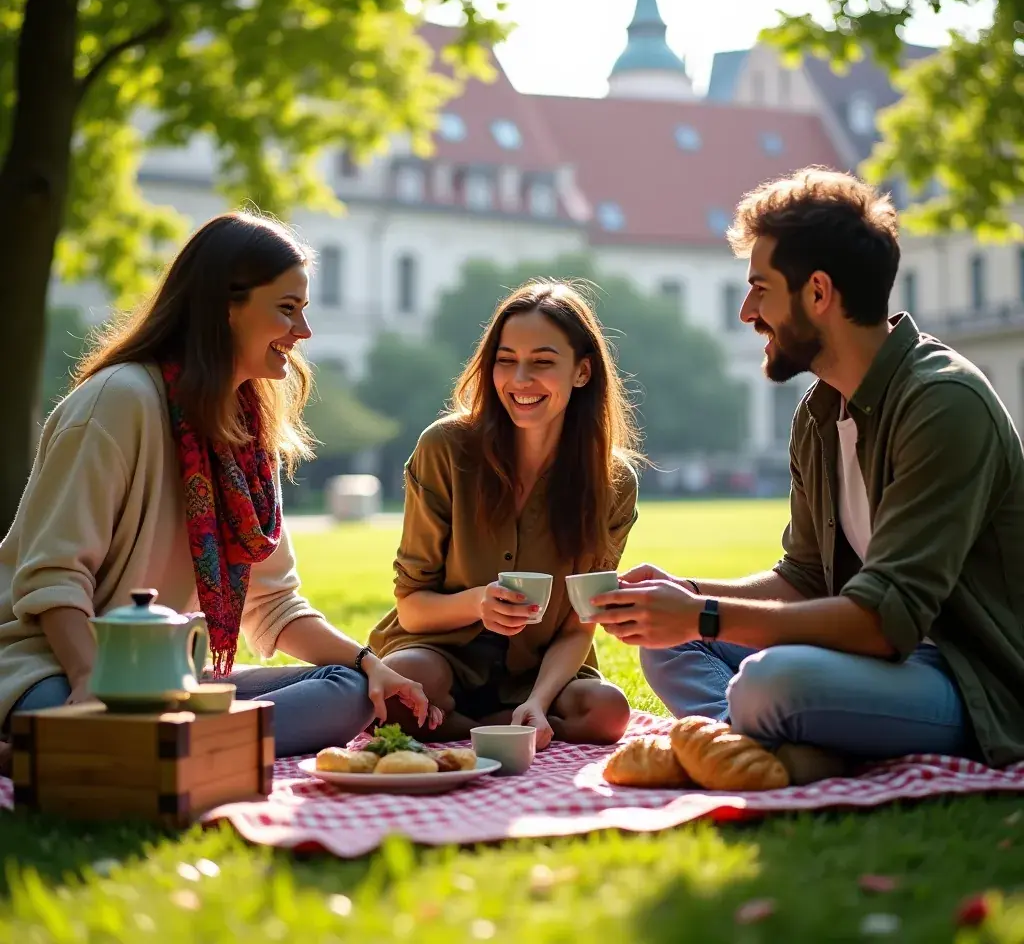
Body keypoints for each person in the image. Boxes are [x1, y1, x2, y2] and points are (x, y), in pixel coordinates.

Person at [588, 167, 1024, 784]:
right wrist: (684, 596)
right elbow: (803, 578)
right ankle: (765, 756)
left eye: (760, 288)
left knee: (770, 684)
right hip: (871, 662)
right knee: (666, 643)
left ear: (818, 293)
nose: (746, 312)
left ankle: (762, 742)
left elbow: (882, 623)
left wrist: (704, 613)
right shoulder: (819, 413)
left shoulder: (943, 403)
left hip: (968, 680)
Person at [0, 212, 438, 766]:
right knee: (105, 715)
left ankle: (162, 747)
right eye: (286, 309)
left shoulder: (247, 435)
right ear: (223, 309)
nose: (303, 333)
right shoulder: (117, 402)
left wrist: (369, 663)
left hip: (171, 679)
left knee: (349, 690)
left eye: (302, 311)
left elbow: (273, 603)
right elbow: (53, 577)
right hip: (51, 672)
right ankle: (162, 744)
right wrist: (95, 684)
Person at [367, 280, 641, 749]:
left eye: (542, 363)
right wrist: (478, 603)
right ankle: (499, 727)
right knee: (403, 684)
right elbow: (412, 606)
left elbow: (580, 625)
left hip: (538, 671)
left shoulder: (613, 481)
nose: (519, 380)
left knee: (609, 712)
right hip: (439, 654)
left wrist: (539, 699)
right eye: (506, 360)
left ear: (582, 372)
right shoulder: (445, 449)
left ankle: (489, 723)